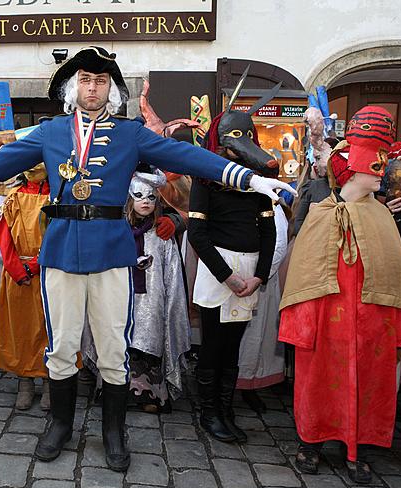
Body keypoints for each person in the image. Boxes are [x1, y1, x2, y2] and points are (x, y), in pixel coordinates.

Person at [0, 46, 294, 472]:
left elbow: (188, 157)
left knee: (112, 349)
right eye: (86, 80)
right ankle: (60, 425)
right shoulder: (50, 132)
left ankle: (112, 431)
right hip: (62, 250)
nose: (93, 87)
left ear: (112, 89)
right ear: (73, 87)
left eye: (101, 81)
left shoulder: (130, 134)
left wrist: (249, 178)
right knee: (63, 345)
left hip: (112, 250)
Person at [279, 106, 401, 483]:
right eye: (376, 168)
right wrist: (302, 320)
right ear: (357, 169)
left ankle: (356, 447)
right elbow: (305, 272)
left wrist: (393, 322)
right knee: (319, 379)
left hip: (371, 321)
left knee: (368, 382)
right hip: (326, 320)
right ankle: (311, 441)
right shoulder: (324, 213)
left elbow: (392, 273)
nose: (383, 176)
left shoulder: (380, 217)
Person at [188, 106, 279, 444]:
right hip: (218, 270)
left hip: (250, 269)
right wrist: (227, 276)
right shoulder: (205, 179)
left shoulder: (258, 181)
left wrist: (260, 274)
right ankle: (209, 413)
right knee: (213, 345)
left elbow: (268, 231)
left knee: (234, 345)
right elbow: (197, 233)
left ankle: (224, 409)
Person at [124, 169, 192, 413]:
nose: (145, 201)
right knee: (123, 341)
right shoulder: (120, 230)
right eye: (139, 196)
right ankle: (120, 393)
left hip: (153, 300)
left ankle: (151, 394)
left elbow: (172, 273)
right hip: (125, 298)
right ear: (130, 197)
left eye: (151, 197)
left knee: (150, 341)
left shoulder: (162, 234)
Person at [0, 163, 52, 410]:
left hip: (49, 271)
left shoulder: (56, 198)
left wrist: (36, 266)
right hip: (18, 275)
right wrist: (18, 270)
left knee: (49, 328)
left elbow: (57, 236)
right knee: (21, 328)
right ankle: (25, 381)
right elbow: (4, 238)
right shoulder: (12, 199)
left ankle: (50, 380)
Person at [236, 203, 289, 412]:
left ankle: (250, 382)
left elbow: (279, 246)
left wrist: (259, 275)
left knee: (257, 335)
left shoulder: (273, 208)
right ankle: (226, 382)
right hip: (233, 276)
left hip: (261, 280)